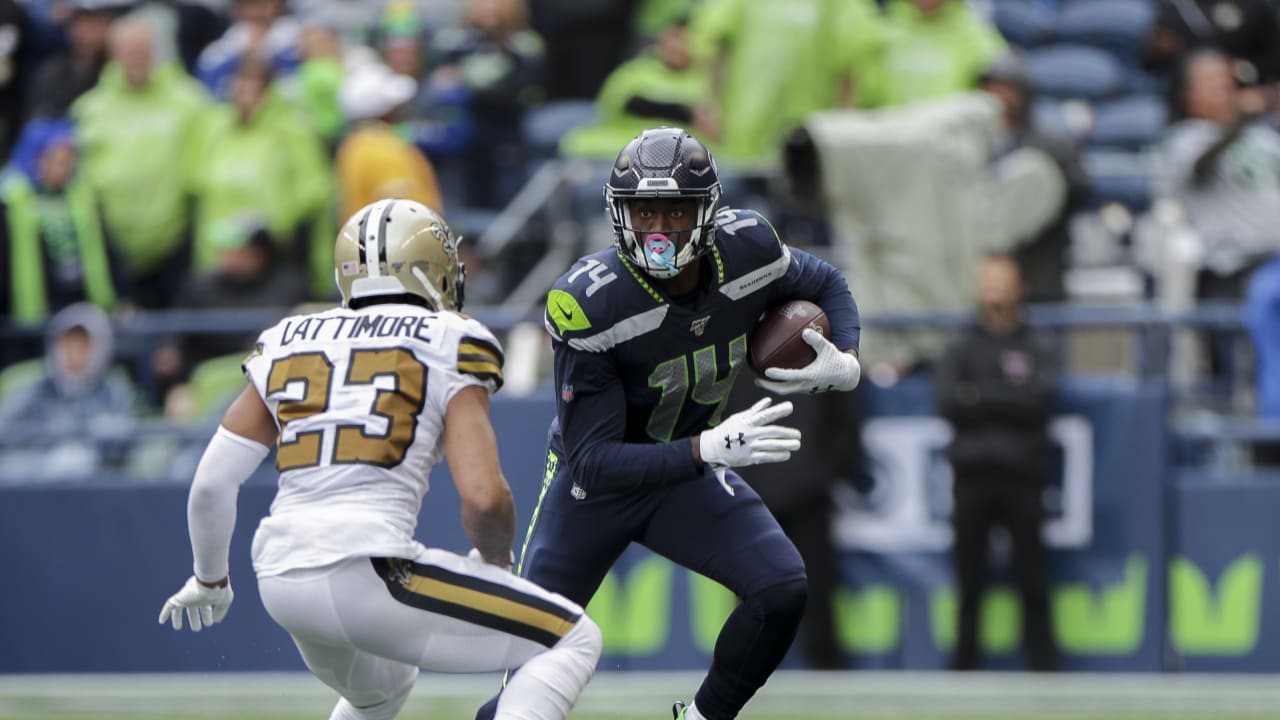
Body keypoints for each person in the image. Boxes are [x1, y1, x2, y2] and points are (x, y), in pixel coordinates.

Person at [158, 199, 601, 720]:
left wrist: (209, 579)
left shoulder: (288, 337)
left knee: (381, 690)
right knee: (572, 638)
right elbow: (484, 497)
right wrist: (495, 561)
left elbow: (212, 483)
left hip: (280, 577)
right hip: (369, 568)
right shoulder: (451, 338)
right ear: (432, 270)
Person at [476, 126, 863, 720]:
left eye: (675, 211)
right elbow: (594, 462)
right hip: (596, 489)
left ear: (707, 213)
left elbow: (826, 282)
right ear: (618, 214)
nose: (658, 229)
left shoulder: (749, 248)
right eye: (644, 210)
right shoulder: (592, 301)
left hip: (686, 468)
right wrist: (706, 450)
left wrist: (848, 360)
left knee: (782, 587)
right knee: (532, 672)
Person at [934, 253, 1059, 672]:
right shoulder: (960, 344)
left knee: (1034, 581)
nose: (994, 289)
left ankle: (1044, 670)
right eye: (987, 280)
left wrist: (980, 395)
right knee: (969, 582)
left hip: (1024, 477)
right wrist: (1006, 394)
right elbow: (948, 402)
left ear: (1020, 286)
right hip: (972, 478)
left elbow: (1039, 401)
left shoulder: (1037, 343)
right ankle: (963, 668)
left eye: (1002, 280)